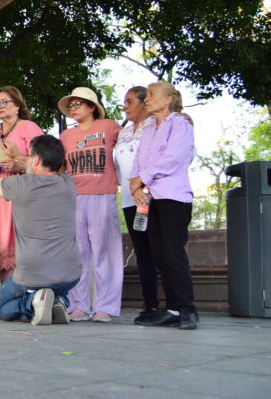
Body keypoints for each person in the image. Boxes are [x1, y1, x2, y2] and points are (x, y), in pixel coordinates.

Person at [0, 135, 81, 325]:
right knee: (54, 288)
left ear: (35, 160)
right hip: (70, 275)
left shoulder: (22, 184)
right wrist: (18, 156)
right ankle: (58, 301)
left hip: (33, 273)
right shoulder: (68, 184)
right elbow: (45, 164)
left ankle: (32, 303)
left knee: (3, 308)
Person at [129, 81, 198, 330]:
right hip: (151, 198)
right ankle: (172, 309)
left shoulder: (180, 123)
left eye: (151, 95)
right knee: (159, 255)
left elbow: (174, 157)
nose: (147, 99)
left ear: (168, 99)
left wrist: (142, 179)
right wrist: (136, 187)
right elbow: (139, 160)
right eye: (146, 95)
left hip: (173, 197)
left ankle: (188, 309)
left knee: (173, 253)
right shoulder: (148, 128)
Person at [58, 87, 122, 322]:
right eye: (71, 105)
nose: (73, 109)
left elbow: (133, 142)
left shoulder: (109, 127)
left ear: (92, 106)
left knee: (105, 253)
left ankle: (106, 306)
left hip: (102, 194)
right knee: (78, 255)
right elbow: (58, 166)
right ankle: (79, 305)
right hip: (74, 197)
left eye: (78, 104)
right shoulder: (65, 136)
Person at [0, 86, 44, 283]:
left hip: (18, 192)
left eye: (4, 102)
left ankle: (22, 298)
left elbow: (43, 161)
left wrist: (18, 164)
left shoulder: (28, 127)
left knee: (17, 245)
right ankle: (7, 298)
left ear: (17, 105)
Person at [113, 86, 160, 325]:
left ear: (145, 102)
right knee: (142, 252)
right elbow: (119, 166)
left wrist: (143, 186)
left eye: (130, 101)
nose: (125, 106)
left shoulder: (157, 126)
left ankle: (175, 306)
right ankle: (150, 305)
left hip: (154, 196)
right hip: (130, 200)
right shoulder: (124, 132)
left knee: (161, 251)